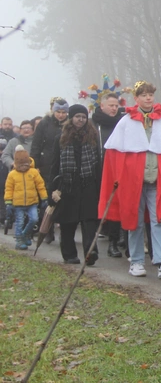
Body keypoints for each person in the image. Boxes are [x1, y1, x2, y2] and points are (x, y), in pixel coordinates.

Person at [98, 81, 161, 280]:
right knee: (134, 221)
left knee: (157, 219)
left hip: (155, 181)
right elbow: (115, 153)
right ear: (137, 98)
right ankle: (136, 261)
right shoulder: (126, 121)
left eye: (150, 94)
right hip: (133, 182)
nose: (148, 98)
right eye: (143, 95)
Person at [49, 104, 101, 265]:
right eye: (78, 116)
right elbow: (55, 165)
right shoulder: (61, 137)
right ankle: (69, 254)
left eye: (84, 117)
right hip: (68, 185)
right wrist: (52, 190)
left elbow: (98, 162)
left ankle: (90, 252)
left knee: (89, 222)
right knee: (68, 223)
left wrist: (99, 187)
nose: (81, 120)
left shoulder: (93, 136)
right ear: (71, 118)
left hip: (88, 184)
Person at [92, 92, 126, 258]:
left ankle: (116, 241)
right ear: (102, 106)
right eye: (111, 105)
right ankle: (97, 242)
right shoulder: (94, 125)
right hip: (98, 170)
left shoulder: (124, 123)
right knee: (103, 207)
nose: (114, 109)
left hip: (119, 170)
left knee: (118, 205)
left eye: (116, 106)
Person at [5, 145, 47, 250]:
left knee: (34, 219)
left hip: (32, 202)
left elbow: (40, 186)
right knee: (19, 222)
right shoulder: (12, 175)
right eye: (21, 165)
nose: (24, 167)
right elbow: (9, 188)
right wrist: (8, 202)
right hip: (18, 203)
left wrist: (44, 198)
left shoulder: (33, 173)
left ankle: (25, 234)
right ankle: (19, 240)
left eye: (25, 164)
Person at [31, 97, 69, 187]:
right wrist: (35, 164)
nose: (61, 115)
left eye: (63, 112)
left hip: (65, 162)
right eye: (58, 112)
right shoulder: (44, 123)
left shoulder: (70, 124)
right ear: (53, 111)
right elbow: (36, 144)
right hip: (47, 163)